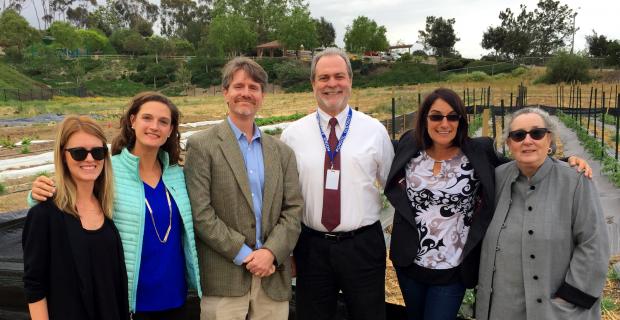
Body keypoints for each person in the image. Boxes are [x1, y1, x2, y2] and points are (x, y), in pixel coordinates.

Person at [383, 88, 592, 320]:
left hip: (453, 268)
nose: (444, 123)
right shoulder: (409, 145)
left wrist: (563, 161)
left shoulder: (477, 150)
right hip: (409, 263)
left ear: (461, 120)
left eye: (453, 116)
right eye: (436, 116)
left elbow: (518, 162)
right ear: (424, 119)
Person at [29, 92, 202, 319]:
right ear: (132, 121)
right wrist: (36, 195)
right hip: (130, 302)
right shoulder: (109, 169)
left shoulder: (176, 174)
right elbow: (73, 192)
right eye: (147, 118)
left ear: (171, 130)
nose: (154, 126)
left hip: (176, 298)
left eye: (163, 121)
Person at [184, 57, 303, 320]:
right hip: (225, 278)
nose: (246, 93)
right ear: (225, 92)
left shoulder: (282, 152)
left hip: (272, 277)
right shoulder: (202, 146)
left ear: (262, 95)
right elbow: (201, 213)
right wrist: (247, 255)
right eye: (239, 86)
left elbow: (293, 209)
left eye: (254, 87)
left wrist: (271, 252)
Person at [280, 47, 394, 320]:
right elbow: (284, 197)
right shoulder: (292, 135)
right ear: (313, 84)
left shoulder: (374, 131)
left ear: (350, 81)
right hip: (311, 247)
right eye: (324, 77)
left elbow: (393, 185)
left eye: (339, 76)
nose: (332, 84)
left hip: (363, 245)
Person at [476, 107, 609, 320]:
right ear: (509, 144)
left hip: (558, 312)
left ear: (550, 139)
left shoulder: (575, 181)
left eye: (536, 133)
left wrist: (570, 299)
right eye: (518, 135)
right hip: (503, 308)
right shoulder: (497, 178)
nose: (527, 141)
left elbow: (594, 244)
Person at [23, 116, 129, 320]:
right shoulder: (44, 214)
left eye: (98, 152)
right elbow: (34, 284)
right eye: (78, 153)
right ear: (63, 156)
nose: (90, 159)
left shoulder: (107, 207)